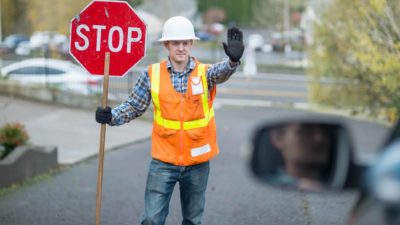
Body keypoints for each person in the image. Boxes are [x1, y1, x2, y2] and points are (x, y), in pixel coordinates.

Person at [95, 16, 244, 225]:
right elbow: (134, 105)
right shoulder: (152, 74)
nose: (181, 48)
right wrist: (111, 116)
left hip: (197, 162)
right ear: (167, 44)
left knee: (193, 220)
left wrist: (233, 61)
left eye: (185, 42)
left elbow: (221, 72)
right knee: (152, 220)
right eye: (176, 43)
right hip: (163, 161)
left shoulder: (204, 73)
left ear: (191, 44)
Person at [268, 123, 334, 191]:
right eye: (306, 129)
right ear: (278, 138)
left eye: (325, 130)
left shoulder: (337, 180)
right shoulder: (271, 187)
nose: (320, 138)